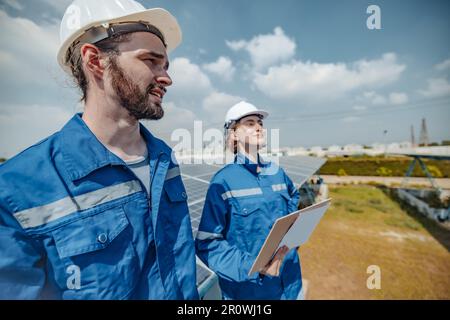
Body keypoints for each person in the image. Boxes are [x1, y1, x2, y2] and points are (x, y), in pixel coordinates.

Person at [0, 0, 198, 300]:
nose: (167, 78)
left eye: (166, 65)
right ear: (95, 60)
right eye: (150, 60)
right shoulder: (16, 189)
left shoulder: (164, 160)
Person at [195, 101, 304, 300]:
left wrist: (294, 231)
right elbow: (208, 244)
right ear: (234, 134)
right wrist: (255, 266)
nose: (259, 127)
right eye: (250, 123)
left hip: (292, 283)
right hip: (252, 293)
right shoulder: (223, 182)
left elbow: (293, 198)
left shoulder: (277, 172)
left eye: (260, 123)